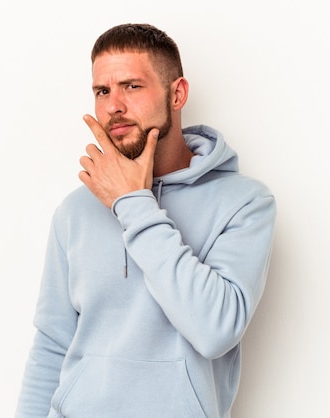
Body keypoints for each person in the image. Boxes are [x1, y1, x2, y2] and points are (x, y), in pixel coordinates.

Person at [15, 23, 276, 418]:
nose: (113, 105)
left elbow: (215, 329)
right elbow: (52, 345)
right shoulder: (76, 211)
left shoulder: (244, 203)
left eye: (131, 86)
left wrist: (132, 203)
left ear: (177, 94)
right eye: (102, 91)